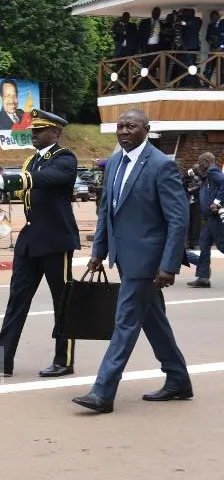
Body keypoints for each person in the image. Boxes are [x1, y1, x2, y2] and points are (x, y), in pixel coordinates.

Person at [73, 110, 192, 414]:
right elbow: (106, 212)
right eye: (121, 126)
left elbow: (178, 220)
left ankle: (103, 392)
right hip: (122, 257)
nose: (124, 131)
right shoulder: (113, 162)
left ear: (146, 130)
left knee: (124, 322)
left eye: (132, 126)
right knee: (153, 321)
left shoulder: (161, 165)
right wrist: (98, 252)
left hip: (148, 262)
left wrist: (168, 265)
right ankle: (178, 379)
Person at [0, 109, 80, 377]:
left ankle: (64, 360)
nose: (33, 134)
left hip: (56, 240)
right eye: (32, 131)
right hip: (30, 241)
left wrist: (2, 178)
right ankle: (2, 358)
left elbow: (46, 179)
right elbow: (23, 188)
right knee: (16, 300)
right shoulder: (31, 161)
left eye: (39, 130)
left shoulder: (64, 158)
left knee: (63, 303)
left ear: (55, 132)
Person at [186, 152, 224, 288]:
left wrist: (217, 201)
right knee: (204, 244)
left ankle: (203, 277)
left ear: (206, 162)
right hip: (210, 219)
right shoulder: (207, 177)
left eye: (200, 162)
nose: (198, 165)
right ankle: (203, 278)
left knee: (221, 244)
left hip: (216, 217)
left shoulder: (213, 172)